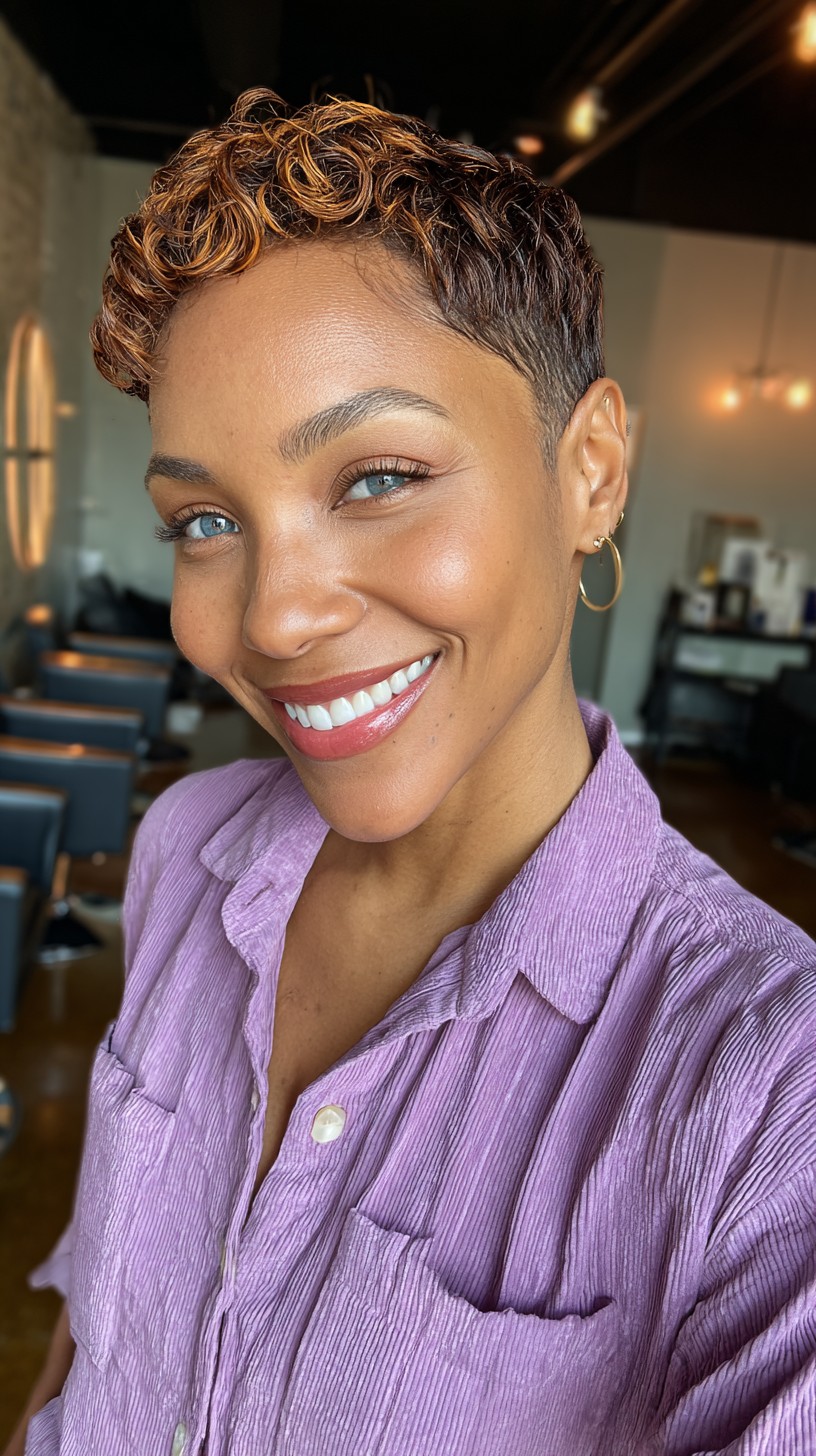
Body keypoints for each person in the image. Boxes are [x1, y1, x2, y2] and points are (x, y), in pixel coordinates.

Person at [5, 91, 815, 1456]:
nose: (269, 618)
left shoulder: (768, 1097)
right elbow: (96, 1322)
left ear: (593, 471)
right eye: (205, 518)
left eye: (377, 476)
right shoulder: (187, 843)